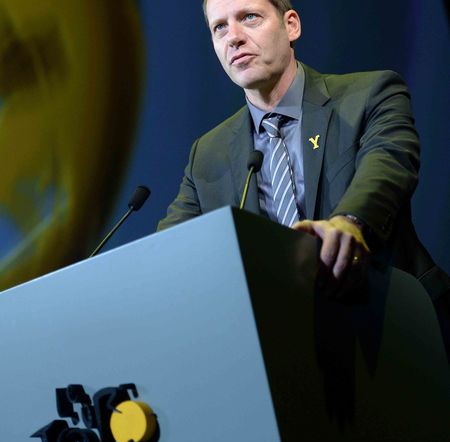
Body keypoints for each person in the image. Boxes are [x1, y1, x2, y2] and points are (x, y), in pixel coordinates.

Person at [158, 0, 450, 301]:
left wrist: (349, 222)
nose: (233, 37)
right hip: (282, 327)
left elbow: (388, 163)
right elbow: (167, 251)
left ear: (291, 26)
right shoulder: (207, 154)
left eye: (249, 17)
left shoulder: (370, 95)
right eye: (219, 27)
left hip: (396, 312)